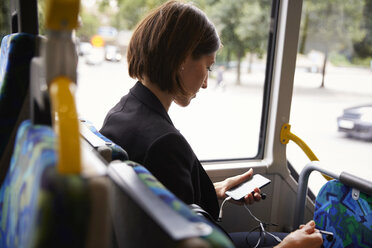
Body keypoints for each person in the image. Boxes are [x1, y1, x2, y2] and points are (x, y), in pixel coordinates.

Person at [100, 1, 323, 247]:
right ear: (182, 58)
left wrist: (215, 191)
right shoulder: (164, 144)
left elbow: (166, 198)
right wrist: (290, 246)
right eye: (207, 66)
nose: (206, 82)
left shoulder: (121, 113)